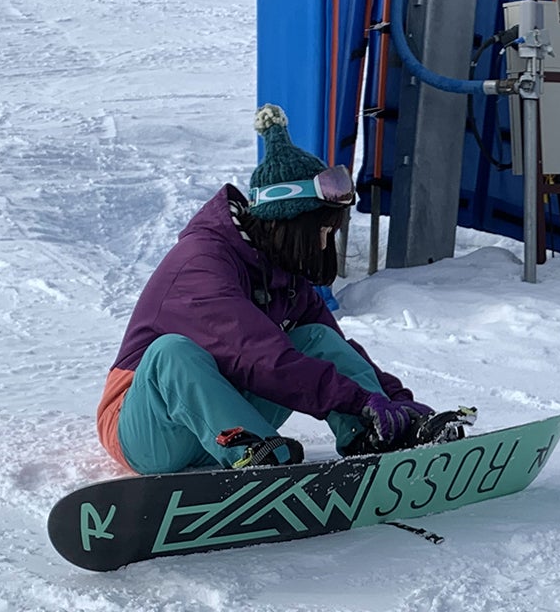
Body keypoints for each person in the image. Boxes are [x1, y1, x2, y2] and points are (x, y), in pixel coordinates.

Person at [96, 103, 474, 474]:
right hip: (148, 428)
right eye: (323, 232)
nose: (325, 245)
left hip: (218, 421)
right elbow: (260, 357)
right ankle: (254, 455)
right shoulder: (202, 264)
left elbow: (338, 351)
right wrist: (359, 400)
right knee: (171, 352)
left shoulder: (281, 272)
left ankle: (372, 437)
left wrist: (394, 403)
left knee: (316, 339)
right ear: (288, 222)